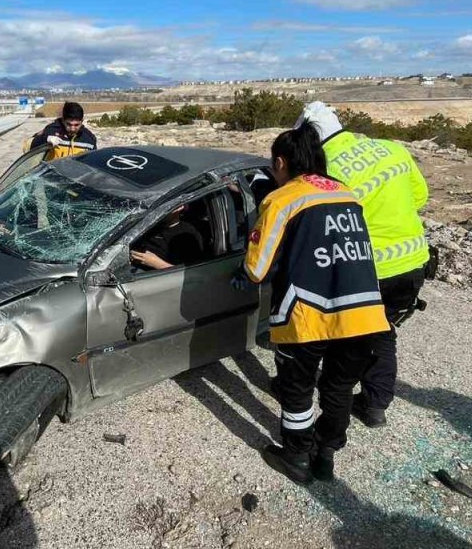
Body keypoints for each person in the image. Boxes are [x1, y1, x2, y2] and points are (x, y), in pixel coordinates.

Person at [239, 124, 390, 484]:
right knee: (338, 389)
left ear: (280, 162)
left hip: (306, 314)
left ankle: (296, 457)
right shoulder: (347, 194)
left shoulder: (283, 198)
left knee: (298, 390)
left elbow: (256, 270)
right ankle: (325, 454)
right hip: (364, 313)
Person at [295, 101, 429, 428]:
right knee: (383, 333)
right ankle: (374, 404)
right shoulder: (392, 149)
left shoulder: (325, 170)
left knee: (346, 336)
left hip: (367, 270)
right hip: (413, 263)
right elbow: (420, 197)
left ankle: (327, 397)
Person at [131, 204, 204, 270]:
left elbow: (192, 274)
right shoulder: (147, 226)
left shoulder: (187, 235)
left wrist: (156, 263)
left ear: (179, 207)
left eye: (166, 204)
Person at [29, 101, 97, 161]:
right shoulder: (51, 131)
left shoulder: (89, 139)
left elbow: (93, 163)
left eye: (76, 125)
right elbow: (29, 147)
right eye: (69, 124)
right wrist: (45, 139)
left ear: (82, 121)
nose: (72, 129)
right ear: (63, 121)